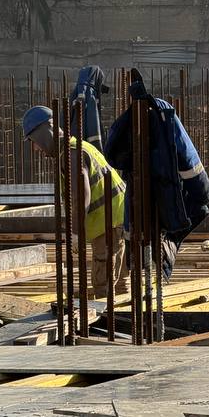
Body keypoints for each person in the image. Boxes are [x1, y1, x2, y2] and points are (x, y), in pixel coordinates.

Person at [103, 71, 209, 282]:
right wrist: (201, 192)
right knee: (151, 241)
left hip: (146, 199)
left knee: (144, 243)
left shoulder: (139, 118)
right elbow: (187, 156)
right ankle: (149, 284)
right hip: (160, 194)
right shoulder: (159, 114)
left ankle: (148, 281)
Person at [22, 105, 125, 298]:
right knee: (119, 283)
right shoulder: (75, 147)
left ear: (44, 133)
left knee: (102, 284)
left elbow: (81, 194)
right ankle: (124, 316)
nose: (35, 148)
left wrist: (76, 232)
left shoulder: (71, 154)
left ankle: (110, 322)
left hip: (109, 222)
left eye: (34, 141)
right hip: (116, 217)